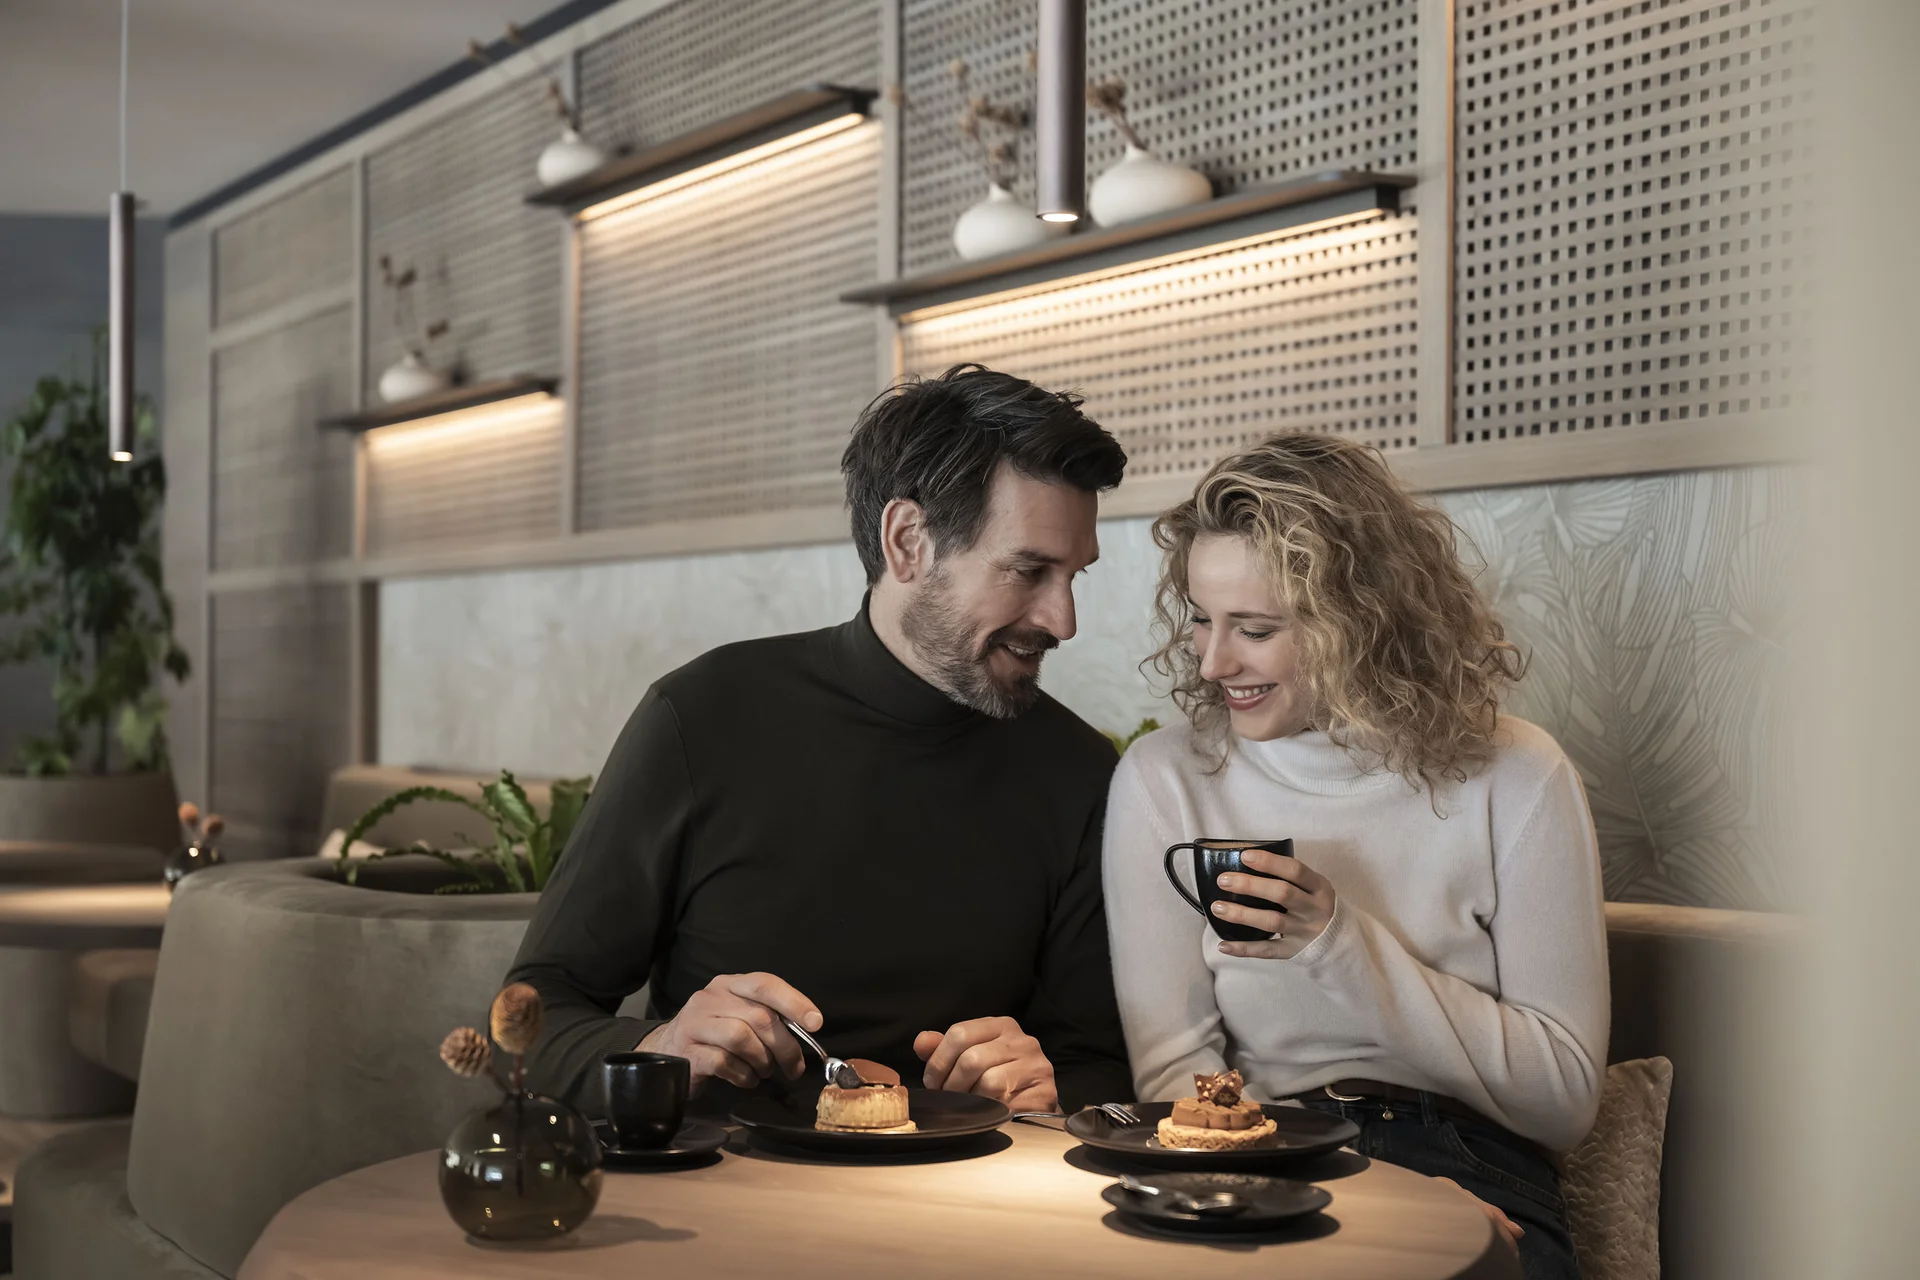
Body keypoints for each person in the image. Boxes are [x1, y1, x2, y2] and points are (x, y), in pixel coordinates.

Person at [507, 364, 1135, 1116]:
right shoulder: (704, 715)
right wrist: (661, 1050)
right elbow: (535, 1016)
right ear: (908, 541)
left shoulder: (1078, 771)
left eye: (1075, 576)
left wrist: (1049, 1085)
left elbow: (1100, 1069)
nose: (1063, 620)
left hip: (961, 1209)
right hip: (719, 1200)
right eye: (1030, 570)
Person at [1102, 433, 1607, 1279]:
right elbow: (1174, 1077)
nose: (1214, 661)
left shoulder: (1519, 775)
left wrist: (1341, 947)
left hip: (1466, 1158)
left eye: (1255, 629)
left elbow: (1563, 1100)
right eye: (1200, 618)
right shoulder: (1166, 778)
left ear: (1361, 620)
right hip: (1258, 1161)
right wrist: (1339, 1185)